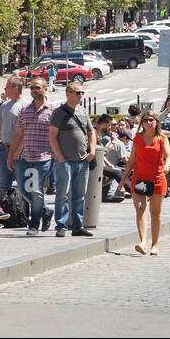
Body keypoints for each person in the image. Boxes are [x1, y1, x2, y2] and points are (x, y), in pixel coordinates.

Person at [7, 77, 56, 236]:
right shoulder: (25, 110)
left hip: (44, 157)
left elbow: (58, 135)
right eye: (32, 88)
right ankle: (45, 211)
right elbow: (18, 134)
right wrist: (11, 155)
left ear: (45, 89)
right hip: (25, 156)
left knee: (36, 190)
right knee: (22, 188)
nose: (34, 91)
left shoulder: (53, 110)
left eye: (37, 88)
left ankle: (34, 225)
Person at [49, 82, 97, 238]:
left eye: (82, 93)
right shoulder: (59, 112)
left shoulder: (83, 111)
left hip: (82, 160)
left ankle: (77, 226)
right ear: (68, 93)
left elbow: (91, 133)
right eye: (77, 92)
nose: (80, 95)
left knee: (80, 195)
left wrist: (92, 151)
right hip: (65, 161)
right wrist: (60, 157)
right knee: (62, 194)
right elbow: (52, 136)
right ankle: (61, 226)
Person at [121, 111, 170, 255]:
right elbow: (131, 161)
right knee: (140, 207)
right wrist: (123, 180)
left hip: (157, 178)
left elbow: (169, 156)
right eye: (145, 120)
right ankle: (143, 242)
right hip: (139, 179)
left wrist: (167, 165)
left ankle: (155, 245)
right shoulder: (137, 138)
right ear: (142, 123)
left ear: (156, 122)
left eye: (151, 120)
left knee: (155, 212)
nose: (148, 123)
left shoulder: (162, 139)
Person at [0, 78, 27, 198]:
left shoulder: (25, 106)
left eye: (7, 87)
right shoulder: (4, 105)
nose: (4, 89)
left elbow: (25, 131)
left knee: (21, 184)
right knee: (4, 184)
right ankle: (5, 210)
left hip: (19, 151)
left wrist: (18, 150)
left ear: (15, 88)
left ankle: (22, 212)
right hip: (3, 148)